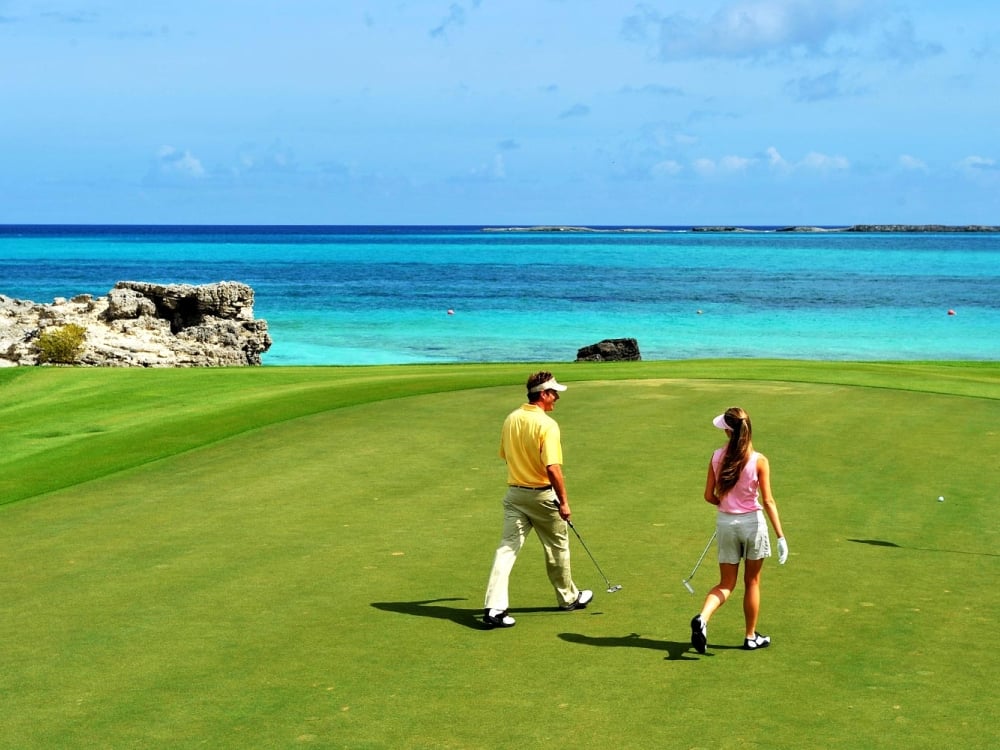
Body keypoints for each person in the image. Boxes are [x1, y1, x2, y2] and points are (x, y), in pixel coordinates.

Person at [482, 371, 593, 628]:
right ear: (543, 395)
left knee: (506, 550)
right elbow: (553, 468)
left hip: (514, 495)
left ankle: (494, 608)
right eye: (554, 393)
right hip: (542, 496)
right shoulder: (547, 425)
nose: (556, 398)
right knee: (557, 549)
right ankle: (568, 599)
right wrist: (564, 502)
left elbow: (505, 455)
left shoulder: (511, 418)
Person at [690, 407, 788, 652]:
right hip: (753, 525)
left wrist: (725, 504)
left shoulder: (716, 456)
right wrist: (781, 536)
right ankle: (750, 636)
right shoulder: (759, 460)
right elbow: (768, 501)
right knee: (752, 582)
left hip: (726, 524)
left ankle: (702, 618)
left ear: (728, 432)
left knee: (726, 583)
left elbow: (708, 496)